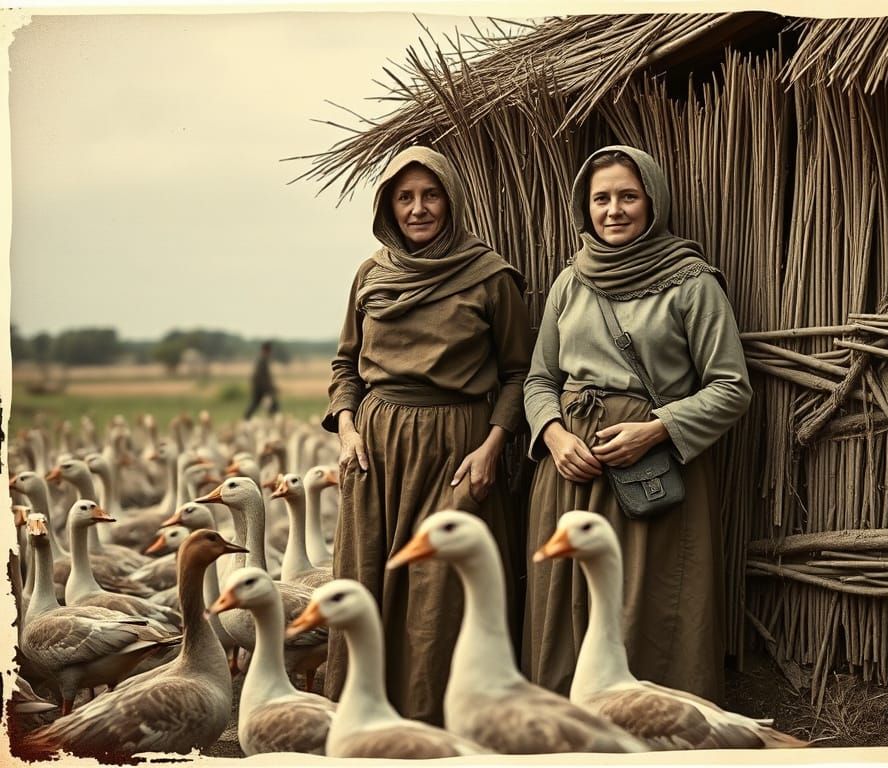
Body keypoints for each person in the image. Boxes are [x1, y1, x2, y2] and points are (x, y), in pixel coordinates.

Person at [522, 145, 752, 704]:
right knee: (565, 609)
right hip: (570, 476)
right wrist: (554, 435)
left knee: (643, 608)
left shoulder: (691, 283)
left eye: (628, 196)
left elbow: (731, 387)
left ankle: (655, 734)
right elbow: (538, 380)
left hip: (650, 478)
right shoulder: (570, 282)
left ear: (653, 200)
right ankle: (567, 735)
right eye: (601, 198)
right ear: (585, 207)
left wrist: (655, 430)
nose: (614, 210)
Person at [321, 146, 532, 725]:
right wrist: (347, 429)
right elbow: (345, 365)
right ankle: (366, 727)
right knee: (368, 581)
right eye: (405, 197)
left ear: (451, 199)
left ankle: (439, 729)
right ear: (388, 205)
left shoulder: (490, 277)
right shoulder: (371, 274)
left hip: (456, 450)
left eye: (430, 195)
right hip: (376, 452)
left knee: (440, 590)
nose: (418, 209)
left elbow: (520, 374)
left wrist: (492, 447)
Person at [244, 341, 279, 419]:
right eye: (269, 351)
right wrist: (270, 388)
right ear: (267, 350)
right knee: (264, 403)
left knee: (268, 403)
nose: (270, 353)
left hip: (260, 387)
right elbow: (262, 377)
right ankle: (246, 418)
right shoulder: (262, 360)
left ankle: (247, 417)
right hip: (260, 388)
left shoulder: (262, 359)